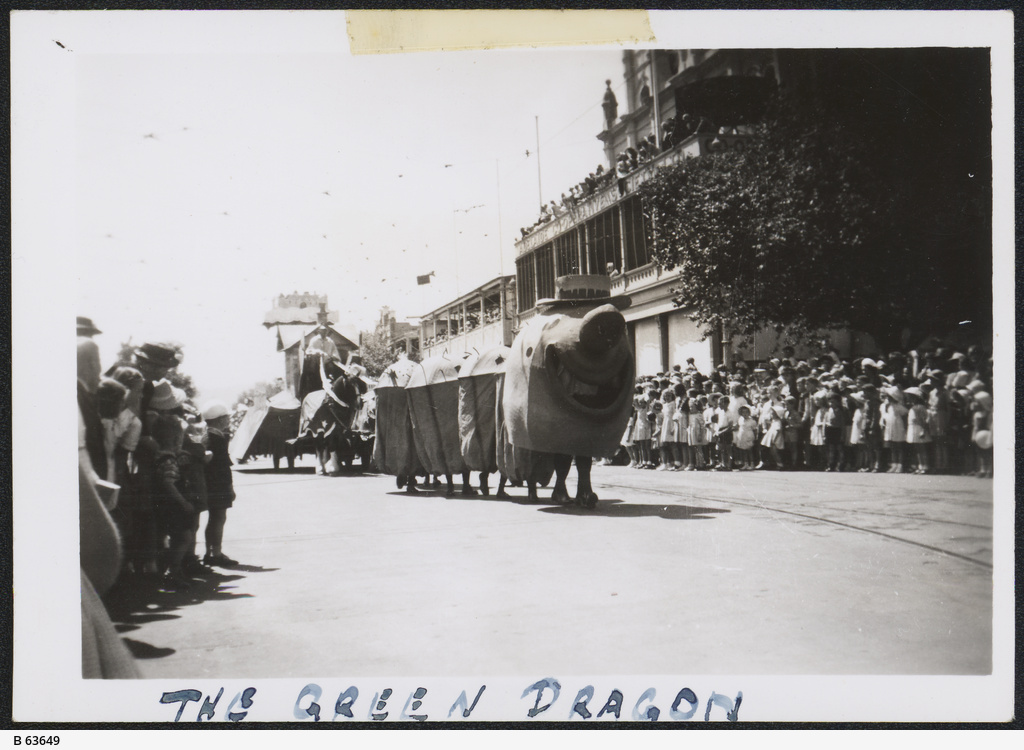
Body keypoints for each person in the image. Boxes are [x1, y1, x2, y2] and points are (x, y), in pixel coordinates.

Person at [202, 400, 239, 566]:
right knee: (219, 518)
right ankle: (215, 553)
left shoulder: (207, 436)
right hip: (218, 484)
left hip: (209, 483)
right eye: (226, 417)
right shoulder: (217, 438)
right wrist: (230, 488)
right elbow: (224, 466)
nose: (228, 421)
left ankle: (210, 552)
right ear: (219, 419)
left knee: (213, 519)